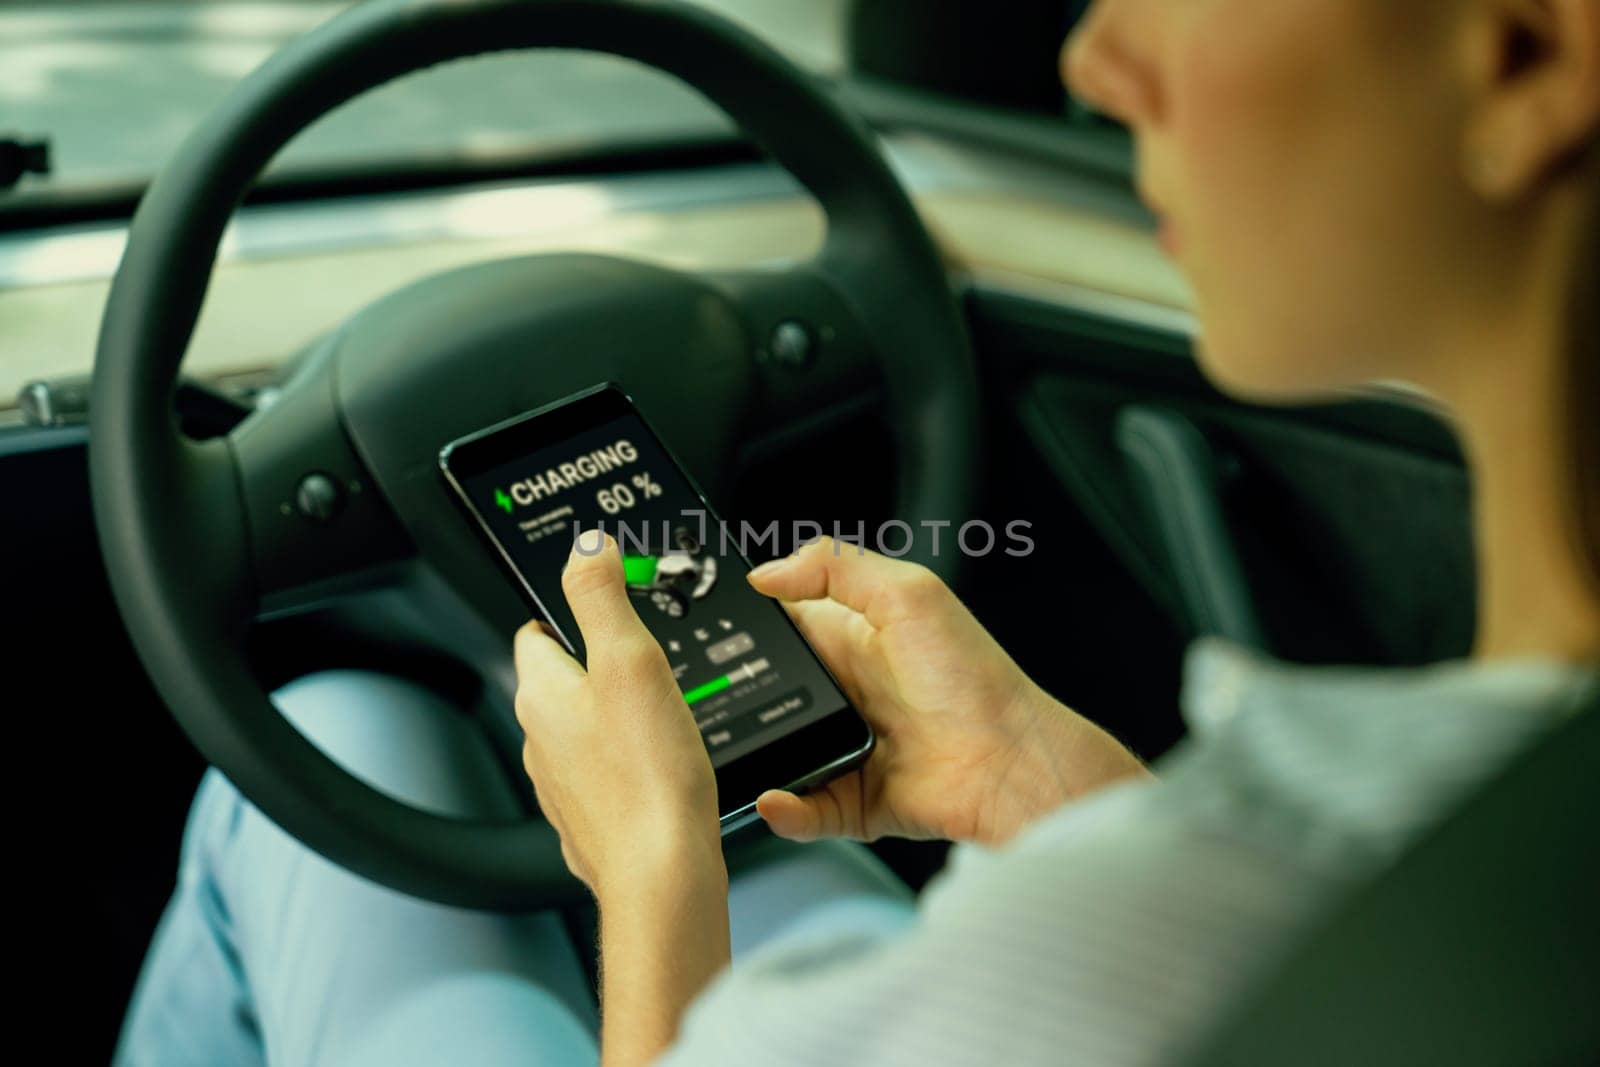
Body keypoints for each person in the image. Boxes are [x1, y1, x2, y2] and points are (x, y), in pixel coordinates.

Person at [117, 0, 1600, 1064]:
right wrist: (1037, 782)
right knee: (767, 841)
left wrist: (652, 872)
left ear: (1532, 52)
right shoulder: (1437, 835)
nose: (1096, 55)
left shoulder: (1108, 948)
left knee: (344, 743)